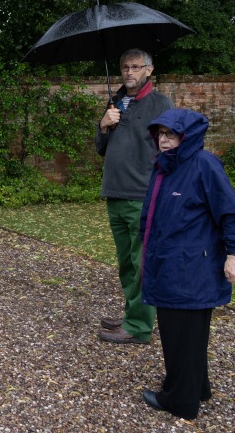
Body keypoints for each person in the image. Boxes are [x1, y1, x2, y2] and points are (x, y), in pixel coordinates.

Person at [138, 108, 235, 420]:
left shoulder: (203, 164)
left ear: (187, 136)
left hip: (189, 269)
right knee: (188, 334)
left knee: (180, 334)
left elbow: (231, 214)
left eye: (171, 134)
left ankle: (179, 400)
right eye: (160, 133)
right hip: (171, 262)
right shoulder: (166, 167)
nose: (163, 140)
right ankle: (197, 387)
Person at [95, 48, 174, 344]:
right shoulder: (115, 101)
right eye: (125, 67)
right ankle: (132, 313)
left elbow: (172, 145)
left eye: (136, 67)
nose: (129, 72)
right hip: (114, 192)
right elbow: (100, 147)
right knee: (127, 262)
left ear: (149, 70)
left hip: (142, 194)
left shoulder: (160, 103)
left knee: (141, 264)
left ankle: (139, 327)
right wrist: (104, 125)